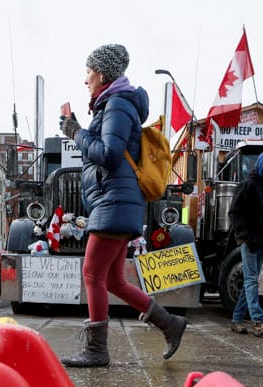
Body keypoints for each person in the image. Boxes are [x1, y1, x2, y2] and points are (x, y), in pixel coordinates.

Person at [57, 43, 186, 368]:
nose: (85, 79)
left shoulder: (115, 105)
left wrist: (76, 132)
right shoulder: (114, 104)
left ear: (101, 74)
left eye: (88, 72)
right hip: (117, 201)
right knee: (113, 280)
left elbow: (110, 154)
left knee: (92, 274)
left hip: (114, 201)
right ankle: (170, 324)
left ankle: (97, 350)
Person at [228, 150, 263, 337]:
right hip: (250, 242)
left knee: (250, 282)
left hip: (260, 242)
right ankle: (258, 322)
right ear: (262, 166)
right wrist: (245, 237)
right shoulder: (248, 185)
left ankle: (236, 320)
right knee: (251, 281)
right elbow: (235, 212)